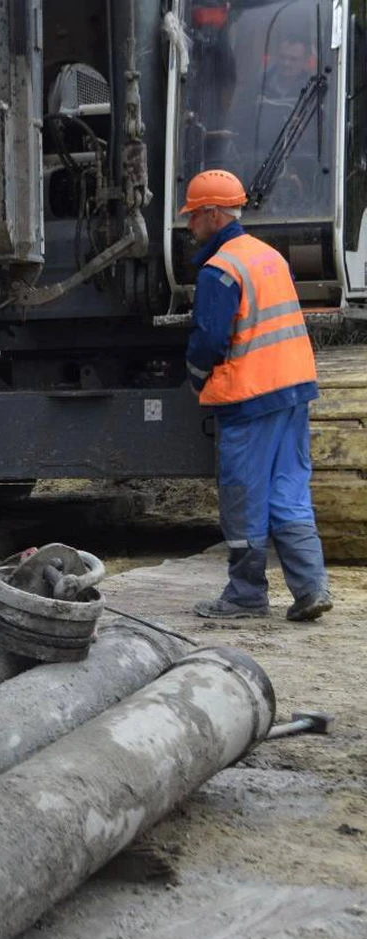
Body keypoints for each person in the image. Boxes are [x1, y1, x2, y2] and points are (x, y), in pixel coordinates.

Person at [182, 168, 331, 621]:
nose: (188, 225)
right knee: (288, 492)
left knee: (243, 495)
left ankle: (246, 595)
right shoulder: (268, 256)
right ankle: (310, 589)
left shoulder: (219, 270)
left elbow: (208, 339)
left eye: (192, 216)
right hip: (293, 390)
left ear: (212, 214)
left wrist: (194, 379)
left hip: (249, 397)